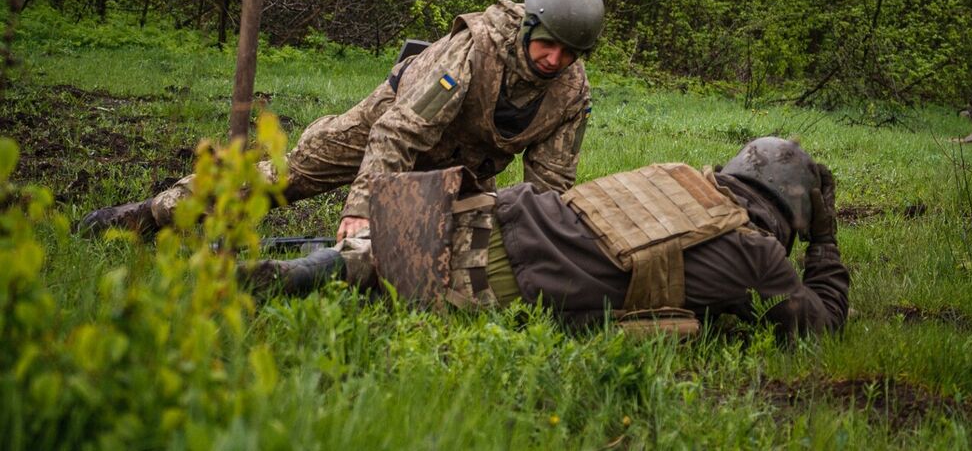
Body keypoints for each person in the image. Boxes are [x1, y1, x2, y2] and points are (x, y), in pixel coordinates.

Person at [77, 0, 605, 241]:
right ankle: (150, 214)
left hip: (462, 169)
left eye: (568, 52)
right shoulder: (473, 49)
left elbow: (548, 189)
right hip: (382, 127)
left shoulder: (569, 94)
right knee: (285, 179)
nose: (554, 60)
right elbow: (398, 134)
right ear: (530, 28)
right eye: (547, 45)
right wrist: (359, 209)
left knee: (467, 234)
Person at [243, 137, 850, 338]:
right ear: (790, 212)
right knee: (415, 282)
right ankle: (319, 268)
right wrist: (825, 240)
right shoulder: (760, 256)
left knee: (388, 255)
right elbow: (820, 321)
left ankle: (303, 259)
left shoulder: (680, 180)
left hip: (494, 210)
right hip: (512, 275)